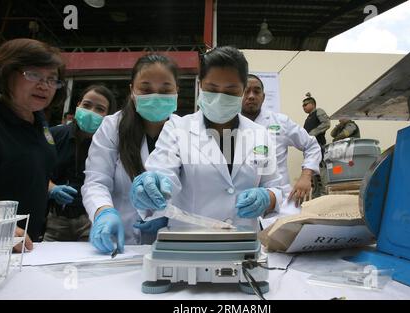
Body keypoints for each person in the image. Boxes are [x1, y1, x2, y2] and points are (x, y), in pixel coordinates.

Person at [130, 46, 283, 233]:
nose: (220, 97)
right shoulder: (178, 128)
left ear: (243, 91)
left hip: (243, 245)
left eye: (231, 91)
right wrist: (155, 184)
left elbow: (275, 186)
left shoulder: (260, 134)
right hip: (189, 244)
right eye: (212, 89)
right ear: (200, 85)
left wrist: (268, 197)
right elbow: (164, 172)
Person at [82, 54, 180, 254]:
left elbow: (195, 188)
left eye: (165, 89)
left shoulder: (186, 131)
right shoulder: (112, 127)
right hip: (120, 241)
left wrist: (169, 215)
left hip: (171, 241)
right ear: (132, 91)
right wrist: (103, 212)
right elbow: (96, 181)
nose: (155, 96)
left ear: (177, 91)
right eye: (146, 89)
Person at [0, 38, 66, 250]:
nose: (44, 86)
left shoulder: (38, 120)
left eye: (52, 79)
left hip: (27, 246)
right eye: (33, 74)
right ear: (6, 73)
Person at [44, 85, 117, 241]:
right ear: (78, 105)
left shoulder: (111, 144)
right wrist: (52, 188)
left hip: (92, 219)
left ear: (108, 116)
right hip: (56, 219)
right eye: (87, 105)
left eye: (100, 109)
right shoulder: (55, 135)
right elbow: (35, 172)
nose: (91, 112)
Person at [241, 74, 321, 204]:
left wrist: (306, 176)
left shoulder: (281, 122)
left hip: (280, 201)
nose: (251, 96)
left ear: (263, 97)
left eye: (256, 91)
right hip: (243, 200)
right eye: (246, 91)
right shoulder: (228, 125)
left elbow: (311, 145)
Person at [302, 93, 330, 197]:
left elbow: (326, 123)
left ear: (313, 104)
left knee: (321, 170)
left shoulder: (319, 111)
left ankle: (324, 194)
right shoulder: (308, 118)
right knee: (312, 170)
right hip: (309, 149)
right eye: (302, 105)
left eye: (305, 104)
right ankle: (316, 195)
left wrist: (311, 134)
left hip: (318, 146)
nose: (303, 107)